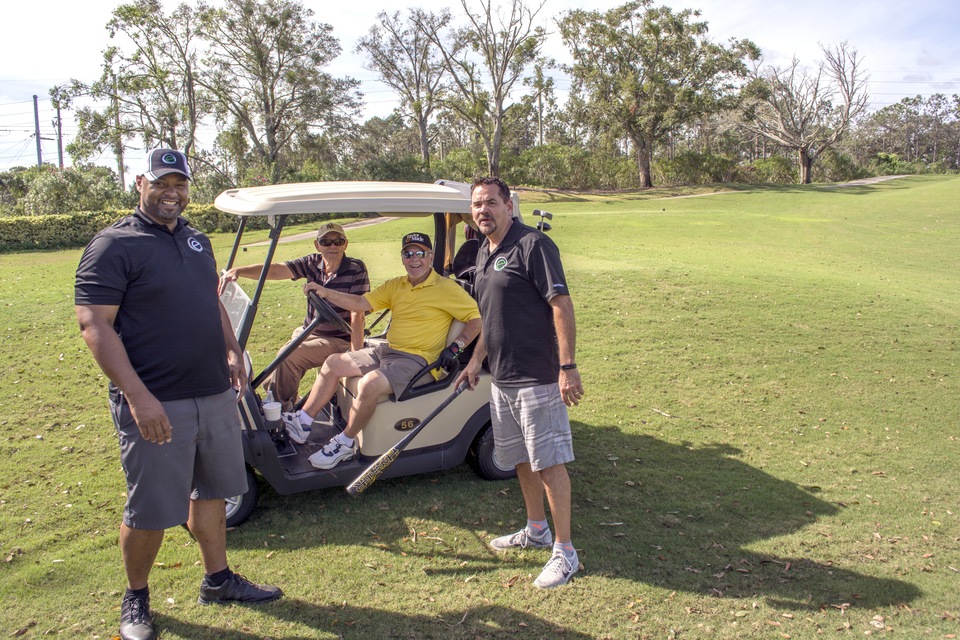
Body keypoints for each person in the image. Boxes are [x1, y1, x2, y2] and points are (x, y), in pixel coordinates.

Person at [75, 149, 281, 640]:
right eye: (162, 182)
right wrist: (138, 397)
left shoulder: (195, 239)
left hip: (211, 391)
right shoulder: (113, 245)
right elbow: (94, 326)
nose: (173, 192)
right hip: (155, 400)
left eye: (180, 183)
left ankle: (218, 579)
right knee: (150, 508)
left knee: (212, 489)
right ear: (141, 183)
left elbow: (212, 303)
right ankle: (137, 598)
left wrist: (232, 351)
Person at [456, 177, 585, 589]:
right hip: (502, 378)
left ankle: (565, 552)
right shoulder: (482, 250)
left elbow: (560, 304)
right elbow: (490, 317)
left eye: (491, 202)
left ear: (509, 205)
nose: (483, 211)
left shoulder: (533, 246)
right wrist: (476, 360)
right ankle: (536, 530)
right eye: (477, 204)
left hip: (537, 376)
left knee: (548, 463)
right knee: (521, 460)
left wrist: (567, 367)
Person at [285, 231, 482, 470]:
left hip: (419, 361)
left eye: (420, 253)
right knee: (333, 363)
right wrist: (326, 293)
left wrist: (456, 346)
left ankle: (345, 443)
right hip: (389, 351)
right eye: (408, 254)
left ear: (430, 257)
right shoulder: (396, 285)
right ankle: (303, 422)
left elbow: (476, 319)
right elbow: (360, 303)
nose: (414, 259)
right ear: (402, 258)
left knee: (369, 384)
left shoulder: (446, 289)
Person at [218, 222, 369, 413]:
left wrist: (356, 356)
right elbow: (279, 270)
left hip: (339, 339)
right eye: (326, 242)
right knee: (280, 361)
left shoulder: (355, 269)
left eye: (338, 241)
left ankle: (279, 413)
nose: (332, 246)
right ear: (317, 245)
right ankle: (277, 399)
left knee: (290, 355)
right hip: (310, 330)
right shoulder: (313, 262)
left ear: (345, 244)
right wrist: (240, 271)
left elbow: (358, 312)